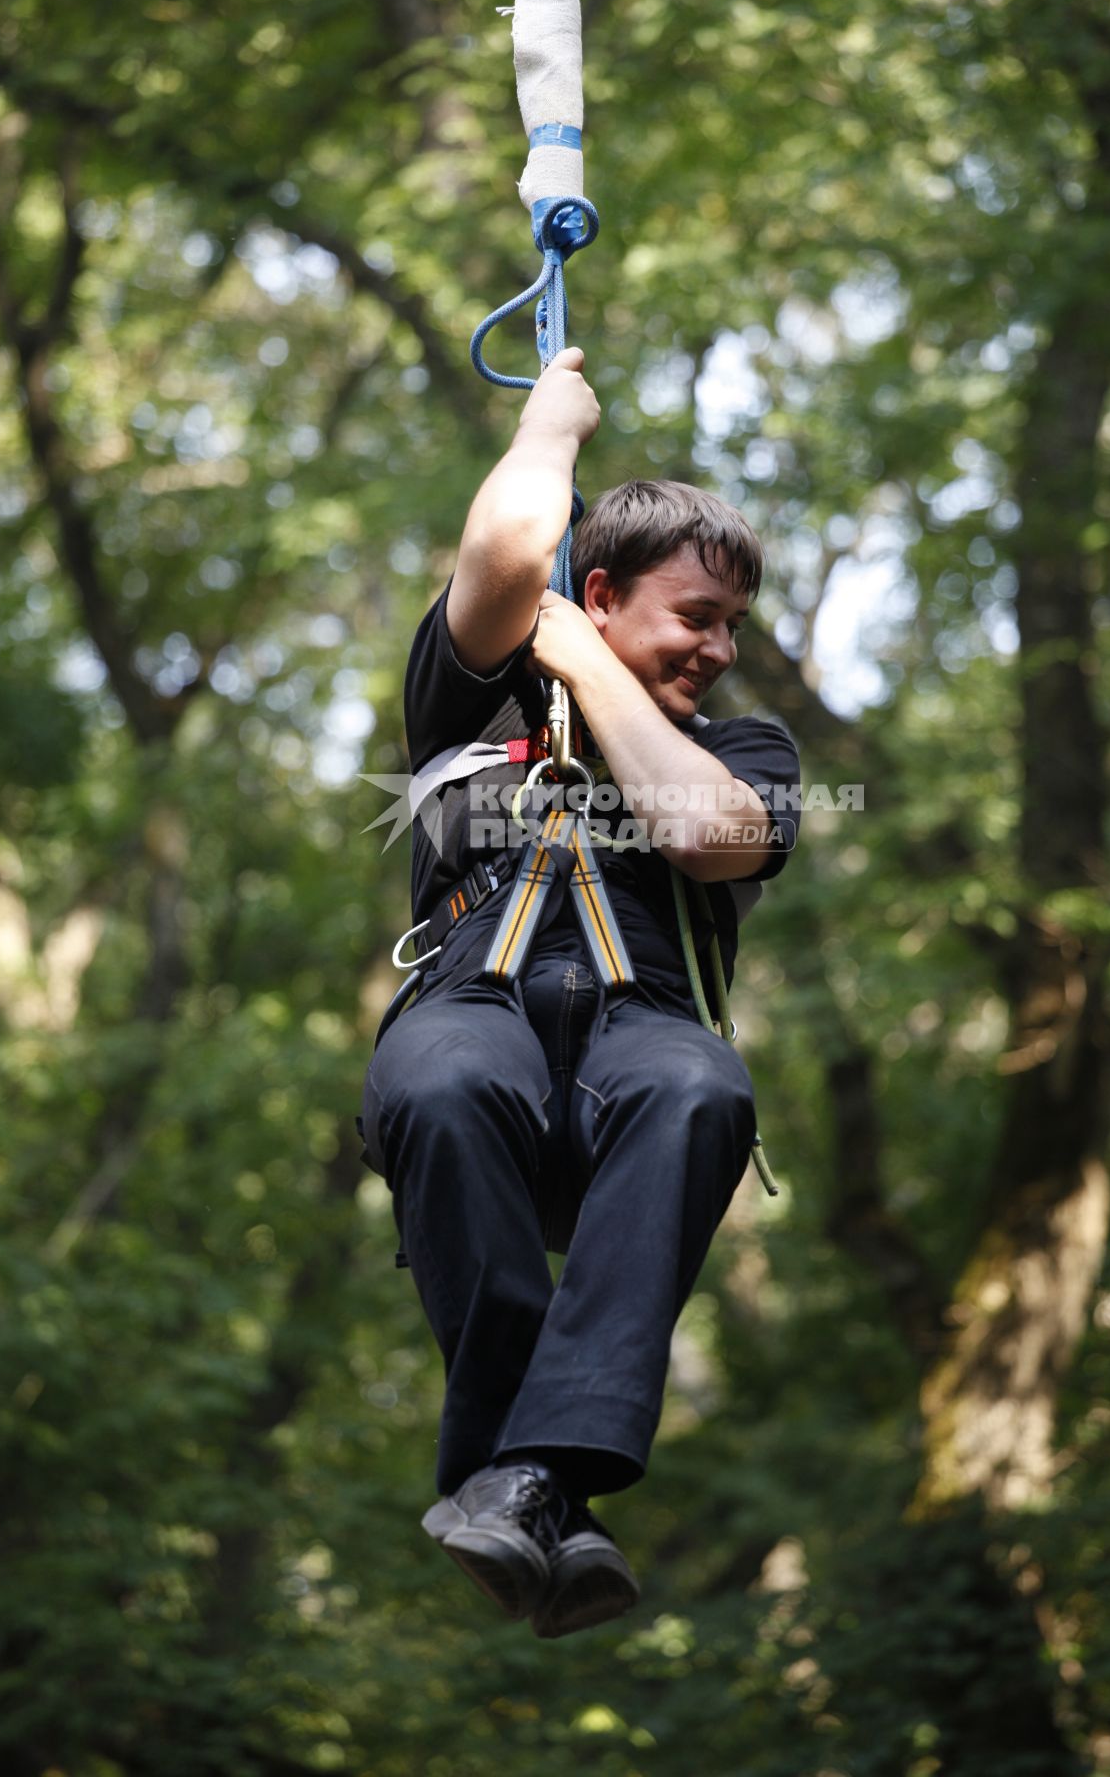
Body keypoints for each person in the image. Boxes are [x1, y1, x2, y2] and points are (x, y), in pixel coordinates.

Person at [360, 347, 800, 1639]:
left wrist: (592, 664)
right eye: (693, 618)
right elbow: (503, 553)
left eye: (732, 627)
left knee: (705, 1085)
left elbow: (701, 832)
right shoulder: (475, 695)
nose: (718, 650)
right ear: (598, 590)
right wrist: (551, 423)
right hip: (472, 1009)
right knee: (437, 1083)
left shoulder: (749, 755)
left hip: (639, 1043)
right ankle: (548, 1485)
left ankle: (523, 1475)